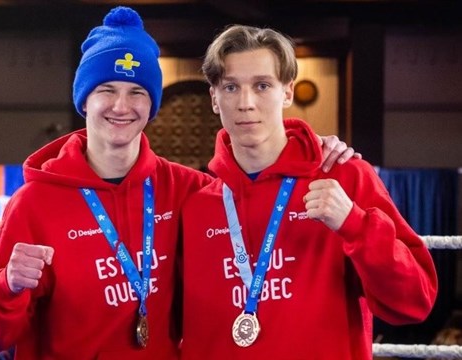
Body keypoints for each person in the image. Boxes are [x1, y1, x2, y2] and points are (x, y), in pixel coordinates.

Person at [0, 6, 359, 360]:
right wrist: (8, 286)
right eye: (106, 90)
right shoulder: (33, 202)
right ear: (84, 99)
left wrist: (313, 146)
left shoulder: (189, 191)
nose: (121, 107)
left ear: (151, 105)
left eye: (137, 92)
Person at [180, 24, 438, 360]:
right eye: (231, 87)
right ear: (214, 98)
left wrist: (356, 225)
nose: (245, 103)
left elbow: (414, 302)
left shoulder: (345, 176)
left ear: (286, 92)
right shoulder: (196, 204)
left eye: (262, 85)